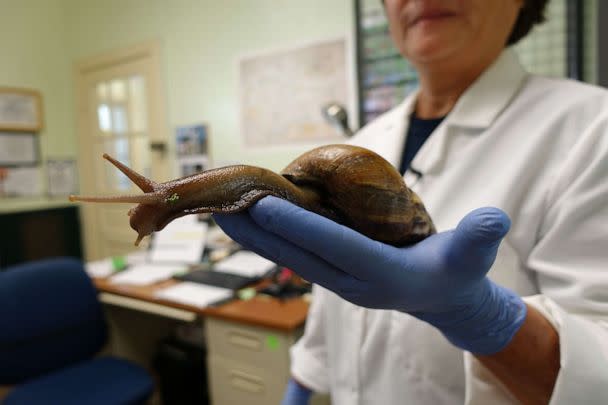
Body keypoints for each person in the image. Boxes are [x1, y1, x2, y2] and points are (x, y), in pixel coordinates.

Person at [215, 0, 608, 403]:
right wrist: (301, 384)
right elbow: (333, 305)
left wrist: (484, 319)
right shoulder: (365, 139)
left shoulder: (593, 129)